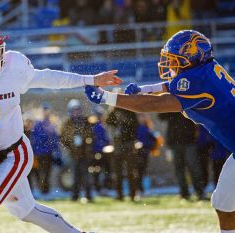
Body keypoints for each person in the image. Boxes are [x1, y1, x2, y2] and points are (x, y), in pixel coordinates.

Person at [0, 23, 120, 233]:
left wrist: (88, 80)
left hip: (14, 154)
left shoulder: (13, 66)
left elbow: (47, 77)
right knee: (27, 211)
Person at [84, 29, 235, 232]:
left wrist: (106, 97)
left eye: (174, 60)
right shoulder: (205, 70)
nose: (170, 65)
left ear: (191, 57)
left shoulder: (198, 81)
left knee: (224, 203)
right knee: (223, 203)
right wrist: (146, 88)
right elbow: (173, 85)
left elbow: (149, 105)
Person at [60, 99, 94, 202]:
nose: (76, 112)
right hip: (73, 154)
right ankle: (75, 196)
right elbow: (63, 138)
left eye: (77, 109)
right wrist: (71, 148)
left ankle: (88, 196)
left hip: (84, 153)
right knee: (75, 176)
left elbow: (91, 135)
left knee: (86, 175)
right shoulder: (67, 123)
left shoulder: (85, 121)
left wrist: (87, 146)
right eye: (74, 110)